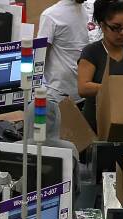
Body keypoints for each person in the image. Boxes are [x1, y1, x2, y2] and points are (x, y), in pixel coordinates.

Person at [77, 0, 123, 130]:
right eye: (116, 28)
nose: (122, 33)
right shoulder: (92, 52)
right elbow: (83, 88)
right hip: (99, 127)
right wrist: (119, 87)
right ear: (103, 26)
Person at [37, 0, 90, 143]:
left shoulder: (84, 11)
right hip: (58, 97)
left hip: (82, 96)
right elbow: (39, 56)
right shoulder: (51, 16)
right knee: (57, 150)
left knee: (80, 150)